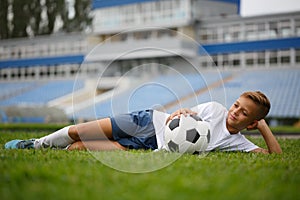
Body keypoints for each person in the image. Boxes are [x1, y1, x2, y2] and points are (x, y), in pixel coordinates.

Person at [5, 91, 282, 154]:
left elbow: (275, 158)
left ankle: (56, 148)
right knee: (80, 130)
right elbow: (187, 113)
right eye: (237, 105)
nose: (235, 112)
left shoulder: (238, 142)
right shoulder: (214, 109)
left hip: (152, 148)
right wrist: (183, 111)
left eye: (245, 114)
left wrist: (264, 127)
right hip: (148, 122)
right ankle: (37, 144)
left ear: (251, 123)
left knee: (80, 147)